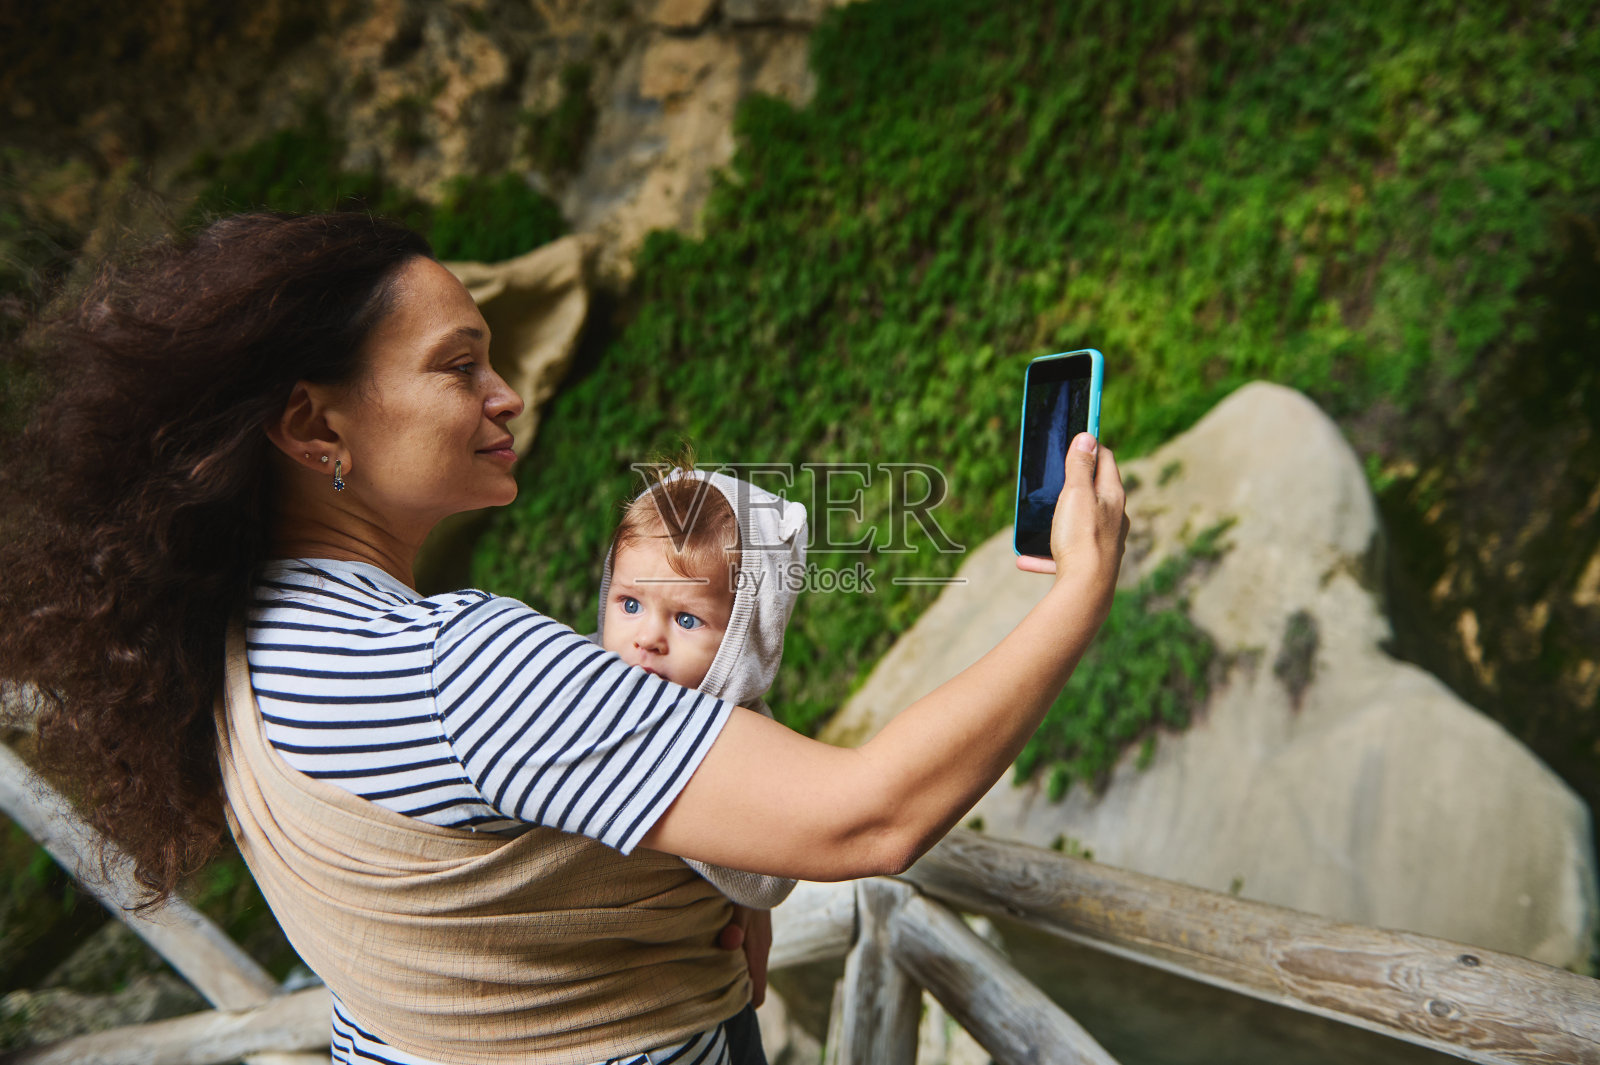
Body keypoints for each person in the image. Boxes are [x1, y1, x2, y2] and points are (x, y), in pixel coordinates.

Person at [0, 212, 1128, 1065]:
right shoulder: (453, 664)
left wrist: (708, 902)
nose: (506, 396)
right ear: (313, 425)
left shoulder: (241, 633)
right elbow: (869, 816)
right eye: (458, 366)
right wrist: (1077, 587)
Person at [595, 466, 808, 954]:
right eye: (629, 604)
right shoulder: (582, 675)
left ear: (743, 637)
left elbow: (770, 878)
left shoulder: (739, 736)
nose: (647, 637)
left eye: (687, 618)